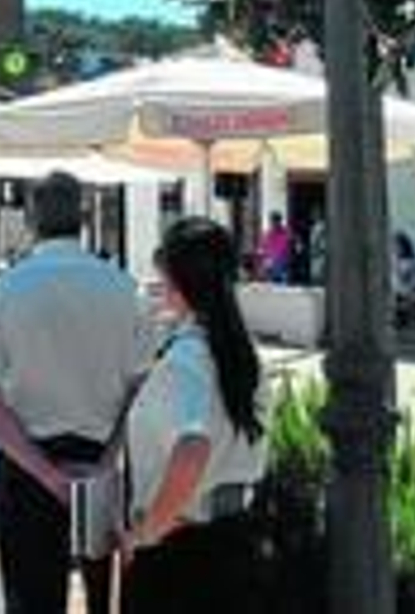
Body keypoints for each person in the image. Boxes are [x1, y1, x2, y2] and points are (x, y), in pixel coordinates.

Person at [0, 171, 150, 614]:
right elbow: (142, 388)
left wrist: (44, 473)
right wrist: (106, 462)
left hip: (27, 465)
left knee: (32, 602)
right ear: (83, 216)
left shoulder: (2, 293)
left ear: (29, 220)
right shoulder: (125, 290)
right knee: (107, 601)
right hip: (101, 462)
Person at [120, 218, 267, 614]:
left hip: (179, 556)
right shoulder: (242, 354)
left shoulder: (186, 358)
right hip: (236, 545)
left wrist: (146, 535)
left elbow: (193, 448)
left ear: (178, 282)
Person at [257, 213, 292, 284]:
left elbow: (289, 246)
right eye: (272, 221)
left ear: (279, 221)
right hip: (270, 263)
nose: (273, 223)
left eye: (275, 221)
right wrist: (263, 259)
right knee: (271, 285)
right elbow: (262, 248)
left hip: (281, 263)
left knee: (281, 285)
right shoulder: (267, 233)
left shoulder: (286, 233)